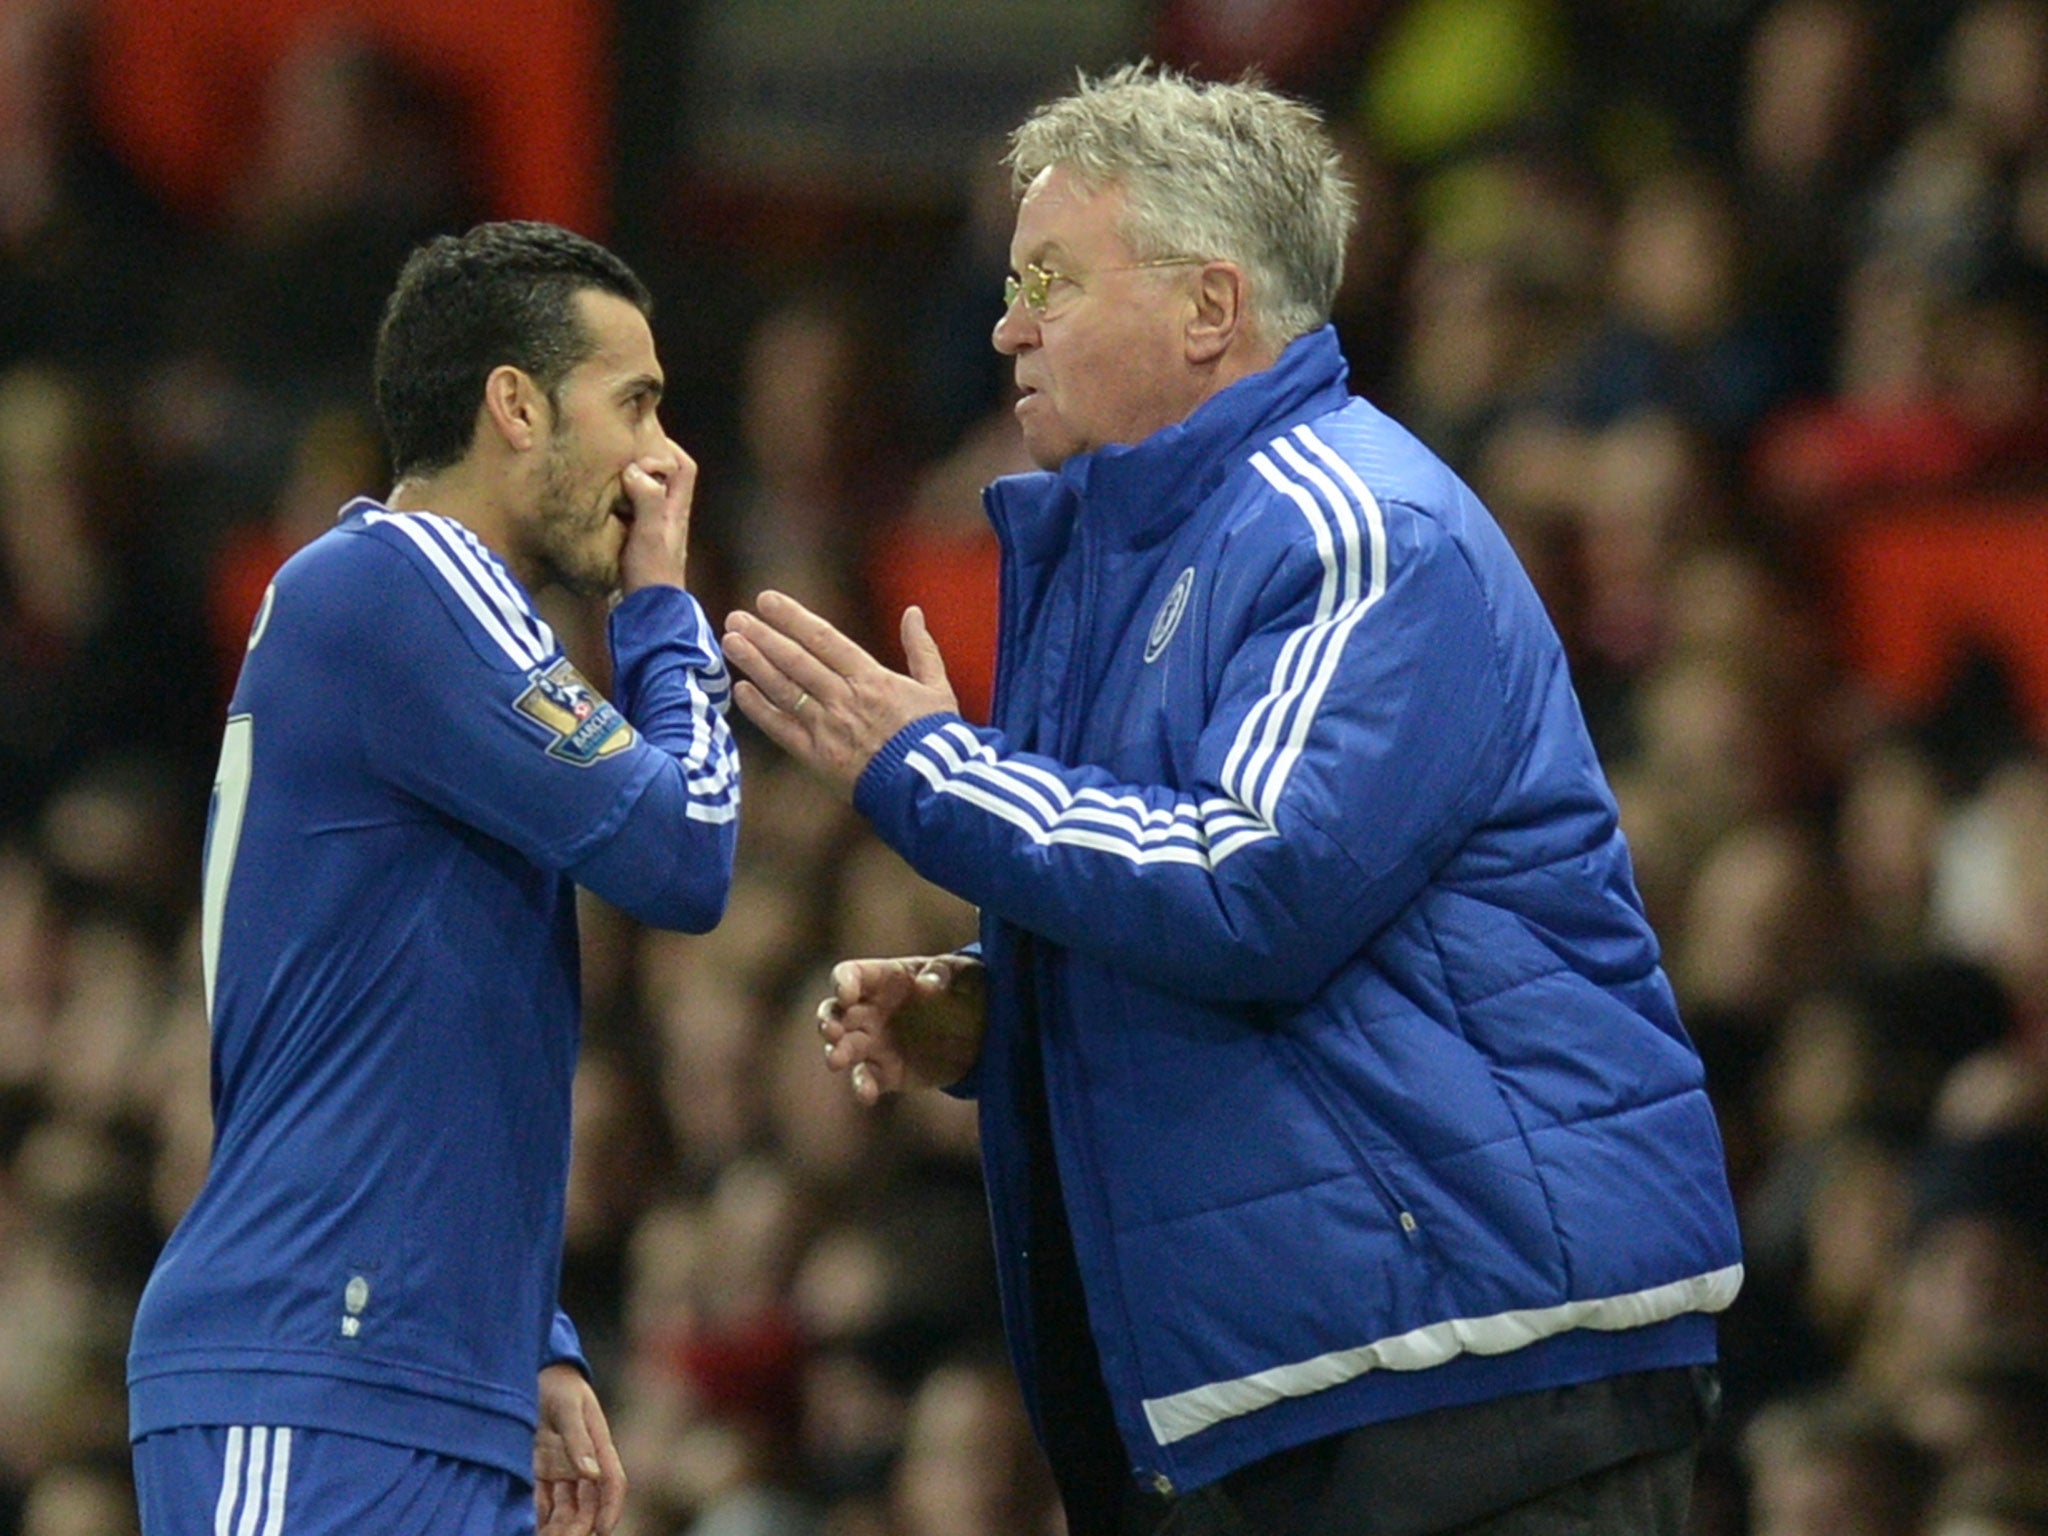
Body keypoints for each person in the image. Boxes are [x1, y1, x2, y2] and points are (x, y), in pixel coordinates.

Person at [721, 65, 1742, 1536]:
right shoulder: (1125, 555)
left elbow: (1251, 883)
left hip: (1476, 1375)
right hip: (1301, 1379)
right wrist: (1006, 1017)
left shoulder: (1357, 525)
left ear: (1211, 307)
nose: (1005, 324)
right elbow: (1206, 922)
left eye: (1052, 281)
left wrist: (929, 766)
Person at [126, 221, 741, 1536]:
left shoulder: (440, 631)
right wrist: (660, 612)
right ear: (514, 405)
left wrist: (531, 1330)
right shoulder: (400, 584)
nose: (661, 461)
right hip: (312, 1367)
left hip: (415, 1373)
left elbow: (428, 1017)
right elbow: (685, 849)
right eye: (632, 403)